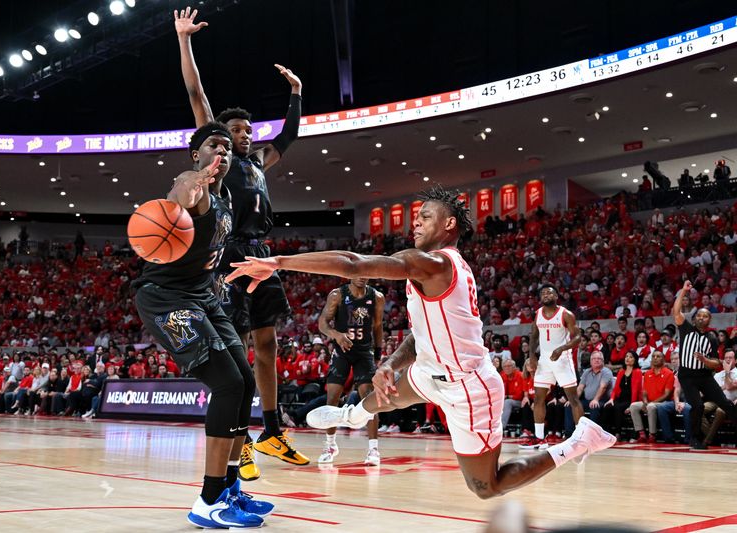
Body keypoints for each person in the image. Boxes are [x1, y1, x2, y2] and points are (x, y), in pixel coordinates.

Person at [226, 186, 616, 500]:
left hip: (468, 386)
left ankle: (579, 442)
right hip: (430, 371)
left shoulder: (437, 262)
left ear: (448, 223)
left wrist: (277, 262)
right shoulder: (430, 270)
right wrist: (389, 365)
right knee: (389, 390)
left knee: (486, 487)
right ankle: (351, 417)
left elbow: (353, 263)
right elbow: (417, 336)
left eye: (424, 217)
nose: (415, 224)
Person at [174, 6, 308, 479]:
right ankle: (240, 440)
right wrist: (185, 41)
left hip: (261, 254)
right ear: (217, 139)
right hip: (228, 254)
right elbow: (197, 94)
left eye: (247, 132)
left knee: (269, 345)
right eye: (233, 133)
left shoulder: (259, 160)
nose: (242, 137)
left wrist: (295, 95)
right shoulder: (220, 161)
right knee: (239, 348)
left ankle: (271, 429)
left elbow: (289, 135)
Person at [132, 121, 271, 528]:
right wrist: (185, 193)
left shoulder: (226, 197)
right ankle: (207, 501)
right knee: (227, 384)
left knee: (245, 382)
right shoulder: (192, 185)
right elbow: (178, 198)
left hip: (203, 298)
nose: (223, 152)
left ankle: (229, 488)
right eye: (214, 145)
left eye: (228, 148)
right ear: (197, 153)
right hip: (165, 299)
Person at [316, 277, 384, 465]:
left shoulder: (377, 297)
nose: (362, 277)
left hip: (364, 352)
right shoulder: (337, 295)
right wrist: (336, 335)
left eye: (366, 273)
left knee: (368, 397)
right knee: (332, 398)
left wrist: (378, 351)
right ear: (350, 274)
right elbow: (323, 322)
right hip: (342, 351)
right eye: (358, 273)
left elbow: (378, 326)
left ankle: (373, 449)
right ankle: (330, 445)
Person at [673, 280, 737, 450]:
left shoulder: (712, 337)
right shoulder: (686, 328)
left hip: (704, 376)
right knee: (698, 406)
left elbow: (716, 362)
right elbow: (676, 311)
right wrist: (683, 291)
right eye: (699, 315)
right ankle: (694, 439)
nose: (701, 317)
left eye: (705, 315)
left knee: (726, 404)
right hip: (687, 376)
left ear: (710, 320)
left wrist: (705, 360)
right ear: (695, 318)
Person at [520, 285, 584, 450]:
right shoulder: (538, 314)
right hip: (544, 361)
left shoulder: (566, 314)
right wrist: (532, 356)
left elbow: (577, 337)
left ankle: (580, 438)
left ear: (557, 295)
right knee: (539, 399)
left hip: (562, 359)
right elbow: (533, 335)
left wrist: (562, 348)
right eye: (543, 293)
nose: (546, 295)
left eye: (549, 292)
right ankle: (540, 438)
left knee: (573, 399)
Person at [627, 351, 673, 443]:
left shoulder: (669, 373)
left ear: (663, 360)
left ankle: (652, 435)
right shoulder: (648, 373)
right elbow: (644, 392)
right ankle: (641, 434)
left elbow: (667, 394)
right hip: (649, 401)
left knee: (650, 407)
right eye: (653, 356)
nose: (655, 358)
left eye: (658, 356)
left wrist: (650, 403)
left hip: (662, 402)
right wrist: (645, 402)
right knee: (633, 406)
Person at [602, 352, 641, 440]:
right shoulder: (621, 371)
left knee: (618, 408)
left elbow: (636, 391)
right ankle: (605, 433)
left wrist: (632, 405)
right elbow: (615, 388)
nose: (627, 358)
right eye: (626, 356)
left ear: (635, 360)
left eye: (630, 357)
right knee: (607, 407)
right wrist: (611, 399)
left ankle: (618, 433)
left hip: (631, 399)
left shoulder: (637, 372)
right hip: (620, 398)